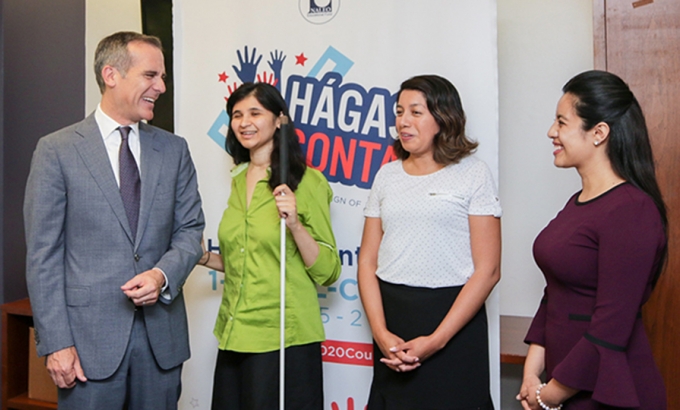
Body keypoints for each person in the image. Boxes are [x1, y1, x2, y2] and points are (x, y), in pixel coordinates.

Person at [24, 31, 204, 409]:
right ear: (111, 75)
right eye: (150, 75)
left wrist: (161, 275)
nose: (161, 86)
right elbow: (44, 256)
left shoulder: (174, 150)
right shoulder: (57, 151)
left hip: (161, 345)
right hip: (87, 349)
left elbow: (190, 230)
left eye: (163, 77)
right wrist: (56, 343)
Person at [517, 70, 668, 410]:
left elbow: (611, 326)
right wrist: (531, 373)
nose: (551, 132)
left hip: (607, 393)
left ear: (599, 133)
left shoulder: (632, 209)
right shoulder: (579, 202)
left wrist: (550, 394)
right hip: (561, 384)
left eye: (562, 122)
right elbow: (555, 293)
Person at [357, 74, 501, 410]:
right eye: (399, 112)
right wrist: (381, 334)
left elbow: (489, 270)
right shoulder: (386, 176)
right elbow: (367, 261)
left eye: (416, 112)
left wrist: (436, 341)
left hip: (453, 321)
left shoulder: (473, 173)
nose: (403, 121)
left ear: (443, 117)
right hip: (393, 320)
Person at [197, 82, 341, 410]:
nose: (244, 122)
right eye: (236, 114)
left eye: (254, 113)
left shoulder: (305, 181)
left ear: (279, 120)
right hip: (234, 333)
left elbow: (329, 271)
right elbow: (245, 259)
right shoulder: (238, 178)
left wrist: (295, 224)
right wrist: (204, 257)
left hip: (282, 338)